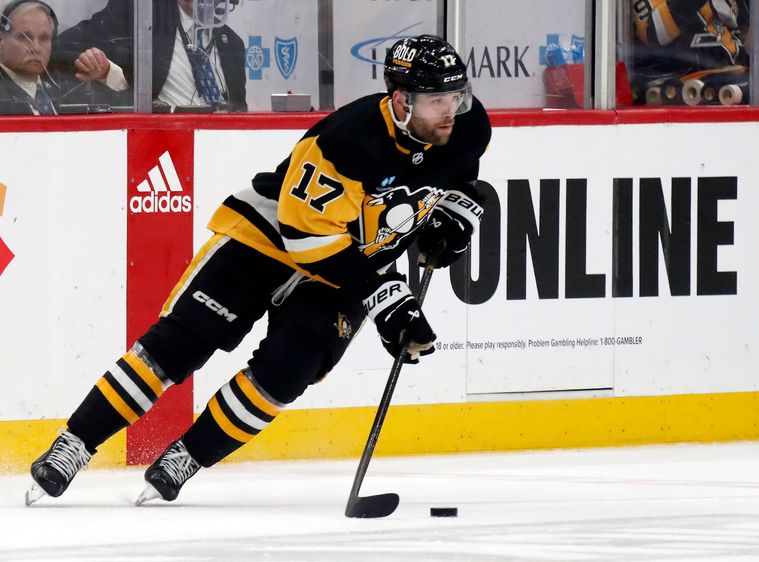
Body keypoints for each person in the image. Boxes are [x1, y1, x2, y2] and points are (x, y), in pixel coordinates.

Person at [25, 34, 491, 506]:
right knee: (180, 344)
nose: (451, 109)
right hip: (269, 236)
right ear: (400, 101)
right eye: (437, 100)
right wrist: (385, 294)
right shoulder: (346, 142)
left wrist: (457, 211)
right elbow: (309, 240)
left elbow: (456, 177)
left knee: (289, 372)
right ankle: (74, 444)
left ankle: (186, 455)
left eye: (456, 95)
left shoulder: (467, 126)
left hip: (350, 261)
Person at [53, 0, 247, 111]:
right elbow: (64, 47)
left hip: (221, 146)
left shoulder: (233, 43)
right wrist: (109, 73)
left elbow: (240, 110)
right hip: (160, 143)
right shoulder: (140, 13)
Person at [0, 0, 59, 114]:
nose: (36, 48)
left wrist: (103, 73)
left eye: (44, 38)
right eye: (24, 38)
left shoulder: (63, 82)